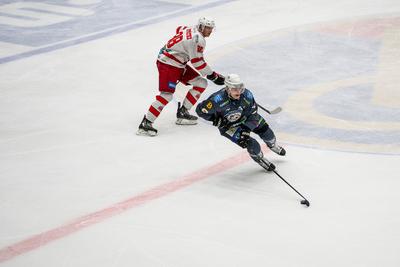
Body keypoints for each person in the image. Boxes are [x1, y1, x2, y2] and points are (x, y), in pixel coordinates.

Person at [137, 17, 225, 136]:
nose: (209, 31)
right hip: (168, 64)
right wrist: (213, 76)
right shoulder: (198, 39)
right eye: (207, 28)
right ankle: (146, 124)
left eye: (211, 28)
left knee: (201, 83)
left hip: (177, 63)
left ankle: (183, 113)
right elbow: (197, 62)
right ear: (201, 27)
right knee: (166, 95)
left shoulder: (190, 29)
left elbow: (179, 29)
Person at [196, 74, 286, 171]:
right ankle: (259, 158)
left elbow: (253, 114)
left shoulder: (247, 95)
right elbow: (200, 111)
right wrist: (215, 120)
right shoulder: (216, 100)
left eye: (240, 88)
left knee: (267, 132)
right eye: (235, 89)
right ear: (227, 88)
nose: (239, 91)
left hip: (246, 118)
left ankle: (273, 145)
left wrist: (247, 129)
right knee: (252, 144)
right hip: (229, 127)